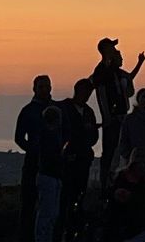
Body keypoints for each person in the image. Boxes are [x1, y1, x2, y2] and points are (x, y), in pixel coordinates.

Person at [90, 37, 145, 195]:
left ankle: (118, 184)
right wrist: (107, 118)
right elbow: (96, 87)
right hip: (112, 120)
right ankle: (106, 187)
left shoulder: (115, 72)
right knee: (110, 153)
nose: (117, 51)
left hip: (121, 118)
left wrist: (140, 63)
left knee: (121, 151)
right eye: (113, 48)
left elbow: (129, 78)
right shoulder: (102, 71)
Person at [57, 78, 99, 242]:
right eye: (84, 92)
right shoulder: (63, 108)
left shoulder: (89, 112)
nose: (86, 96)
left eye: (89, 93)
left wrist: (88, 135)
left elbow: (94, 137)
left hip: (83, 161)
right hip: (67, 162)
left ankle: (74, 231)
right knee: (64, 197)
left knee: (79, 197)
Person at [15, 74, 53, 242]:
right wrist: (32, 150)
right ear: (35, 89)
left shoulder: (56, 109)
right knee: (28, 205)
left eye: (47, 86)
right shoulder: (28, 111)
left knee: (51, 205)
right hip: (33, 163)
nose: (45, 90)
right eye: (41, 87)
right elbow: (19, 137)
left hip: (53, 164)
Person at [36, 105, 64, 242]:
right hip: (49, 176)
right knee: (47, 214)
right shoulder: (48, 136)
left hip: (52, 176)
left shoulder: (48, 135)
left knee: (51, 213)